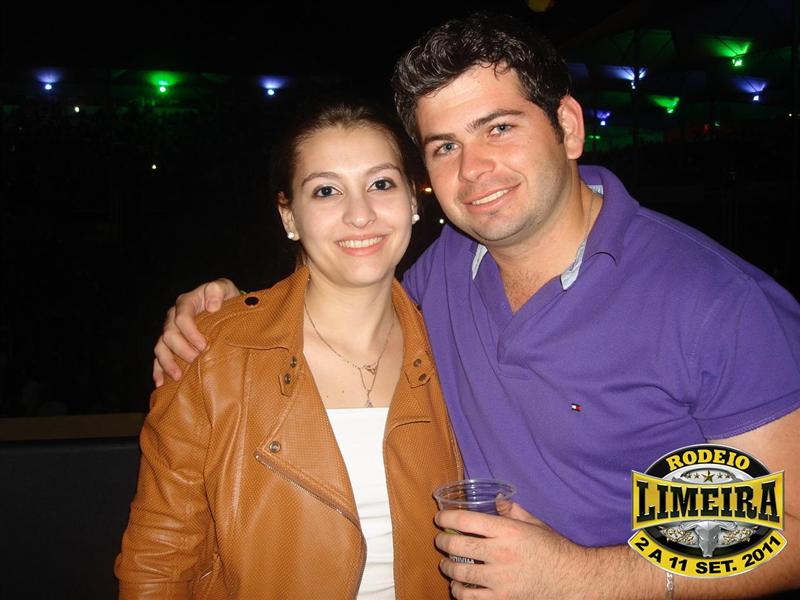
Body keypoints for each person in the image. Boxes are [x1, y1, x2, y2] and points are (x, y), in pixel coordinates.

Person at [152, 13, 800, 599]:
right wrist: (226, 308)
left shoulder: (718, 304)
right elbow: (341, 290)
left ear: (568, 127)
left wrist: (582, 577)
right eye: (445, 146)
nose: (473, 169)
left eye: (499, 128)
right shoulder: (440, 275)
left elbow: (788, 528)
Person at [115, 97, 462, 599]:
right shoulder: (215, 354)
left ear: (412, 199)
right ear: (289, 216)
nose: (360, 214)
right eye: (326, 191)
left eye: (381, 184)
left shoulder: (455, 348)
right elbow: (160, 554)